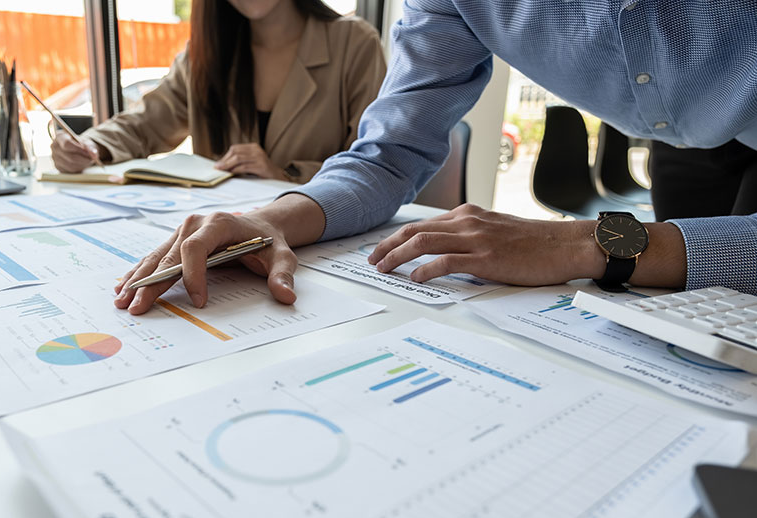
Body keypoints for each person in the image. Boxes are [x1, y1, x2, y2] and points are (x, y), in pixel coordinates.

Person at [115, 0, 757, 315]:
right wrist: (278, 215)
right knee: (695, 328)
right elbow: (387, 154)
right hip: (683, 149)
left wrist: (586, 243)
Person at [50, 0, 386, 184]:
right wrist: (90, 145)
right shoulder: (205, 53)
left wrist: (285, 174)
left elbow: (376, 165)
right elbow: (145, 123)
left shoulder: (355, 45)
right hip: (223, 241)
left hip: (320, 240)